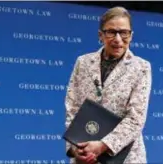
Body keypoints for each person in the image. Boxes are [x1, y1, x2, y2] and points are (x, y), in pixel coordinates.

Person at [65, 6, 152, 164]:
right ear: (101, 35)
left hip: (126, 158)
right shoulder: (83, 63)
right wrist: (75, 147)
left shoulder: (141, 68)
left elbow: (135, 119)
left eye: (124, 32)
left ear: (131, 36)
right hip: (84, 157)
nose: (118, 39)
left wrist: (102, 145)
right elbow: (73, 108)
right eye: (111, 32)